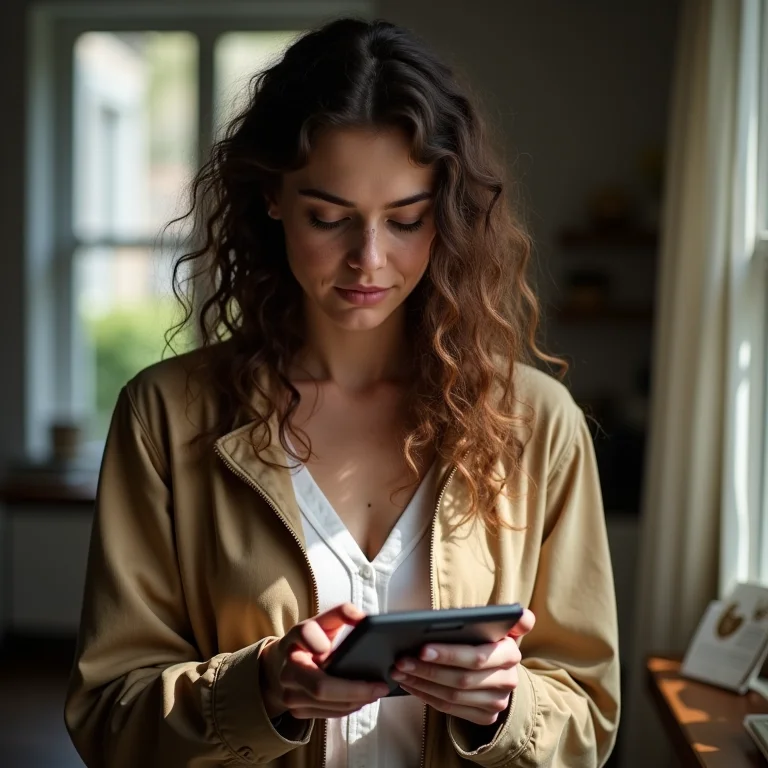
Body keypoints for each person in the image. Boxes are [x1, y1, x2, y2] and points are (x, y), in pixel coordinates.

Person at [64, 17, 620, 768]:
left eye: (406, 220)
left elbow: (588, 713)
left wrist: (505, 708)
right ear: (272, 198)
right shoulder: (166, 416)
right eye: (329, 218)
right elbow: (109, 714)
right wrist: (260, 690)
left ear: (445, 214)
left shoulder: (535, 423)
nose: (369, 259)